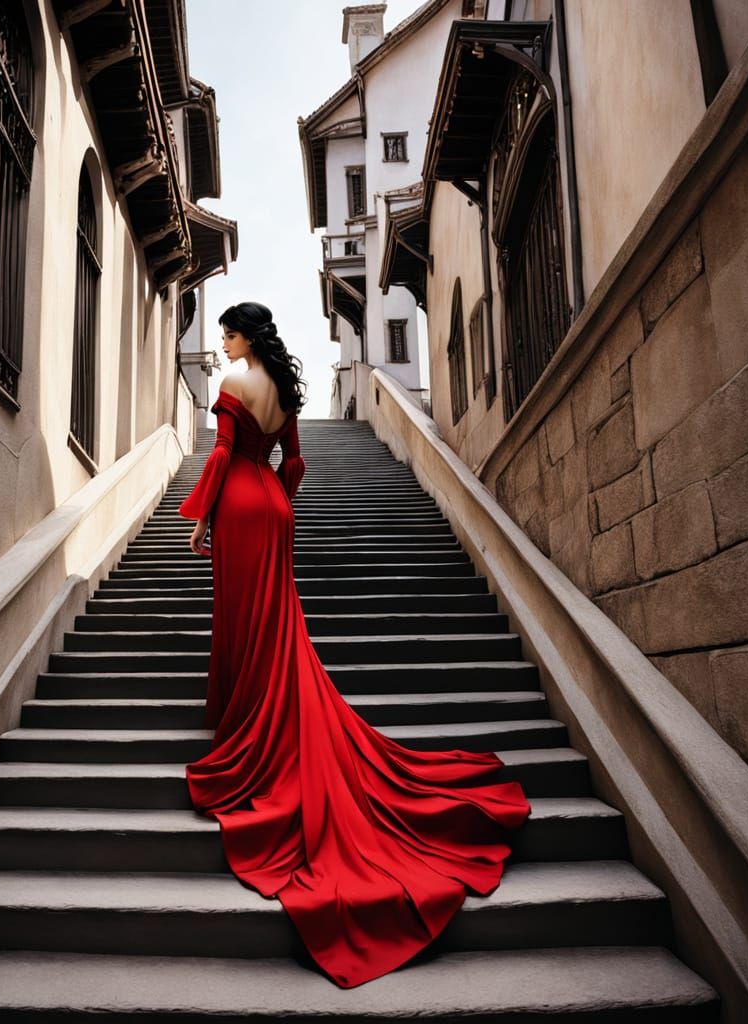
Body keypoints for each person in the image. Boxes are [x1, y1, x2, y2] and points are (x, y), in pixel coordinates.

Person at [178, 301, 531, 989]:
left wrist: (198, 518)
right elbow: (296, 463)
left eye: (226, 331)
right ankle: (261, 713)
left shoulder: (235, 383)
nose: (221, 341)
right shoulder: (280, 387)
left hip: (242, 507)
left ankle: (247, 726)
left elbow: (221, 454)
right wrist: (278, 501)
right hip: (273, 507)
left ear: (247, 335)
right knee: (277, 625)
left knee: (247, 620)